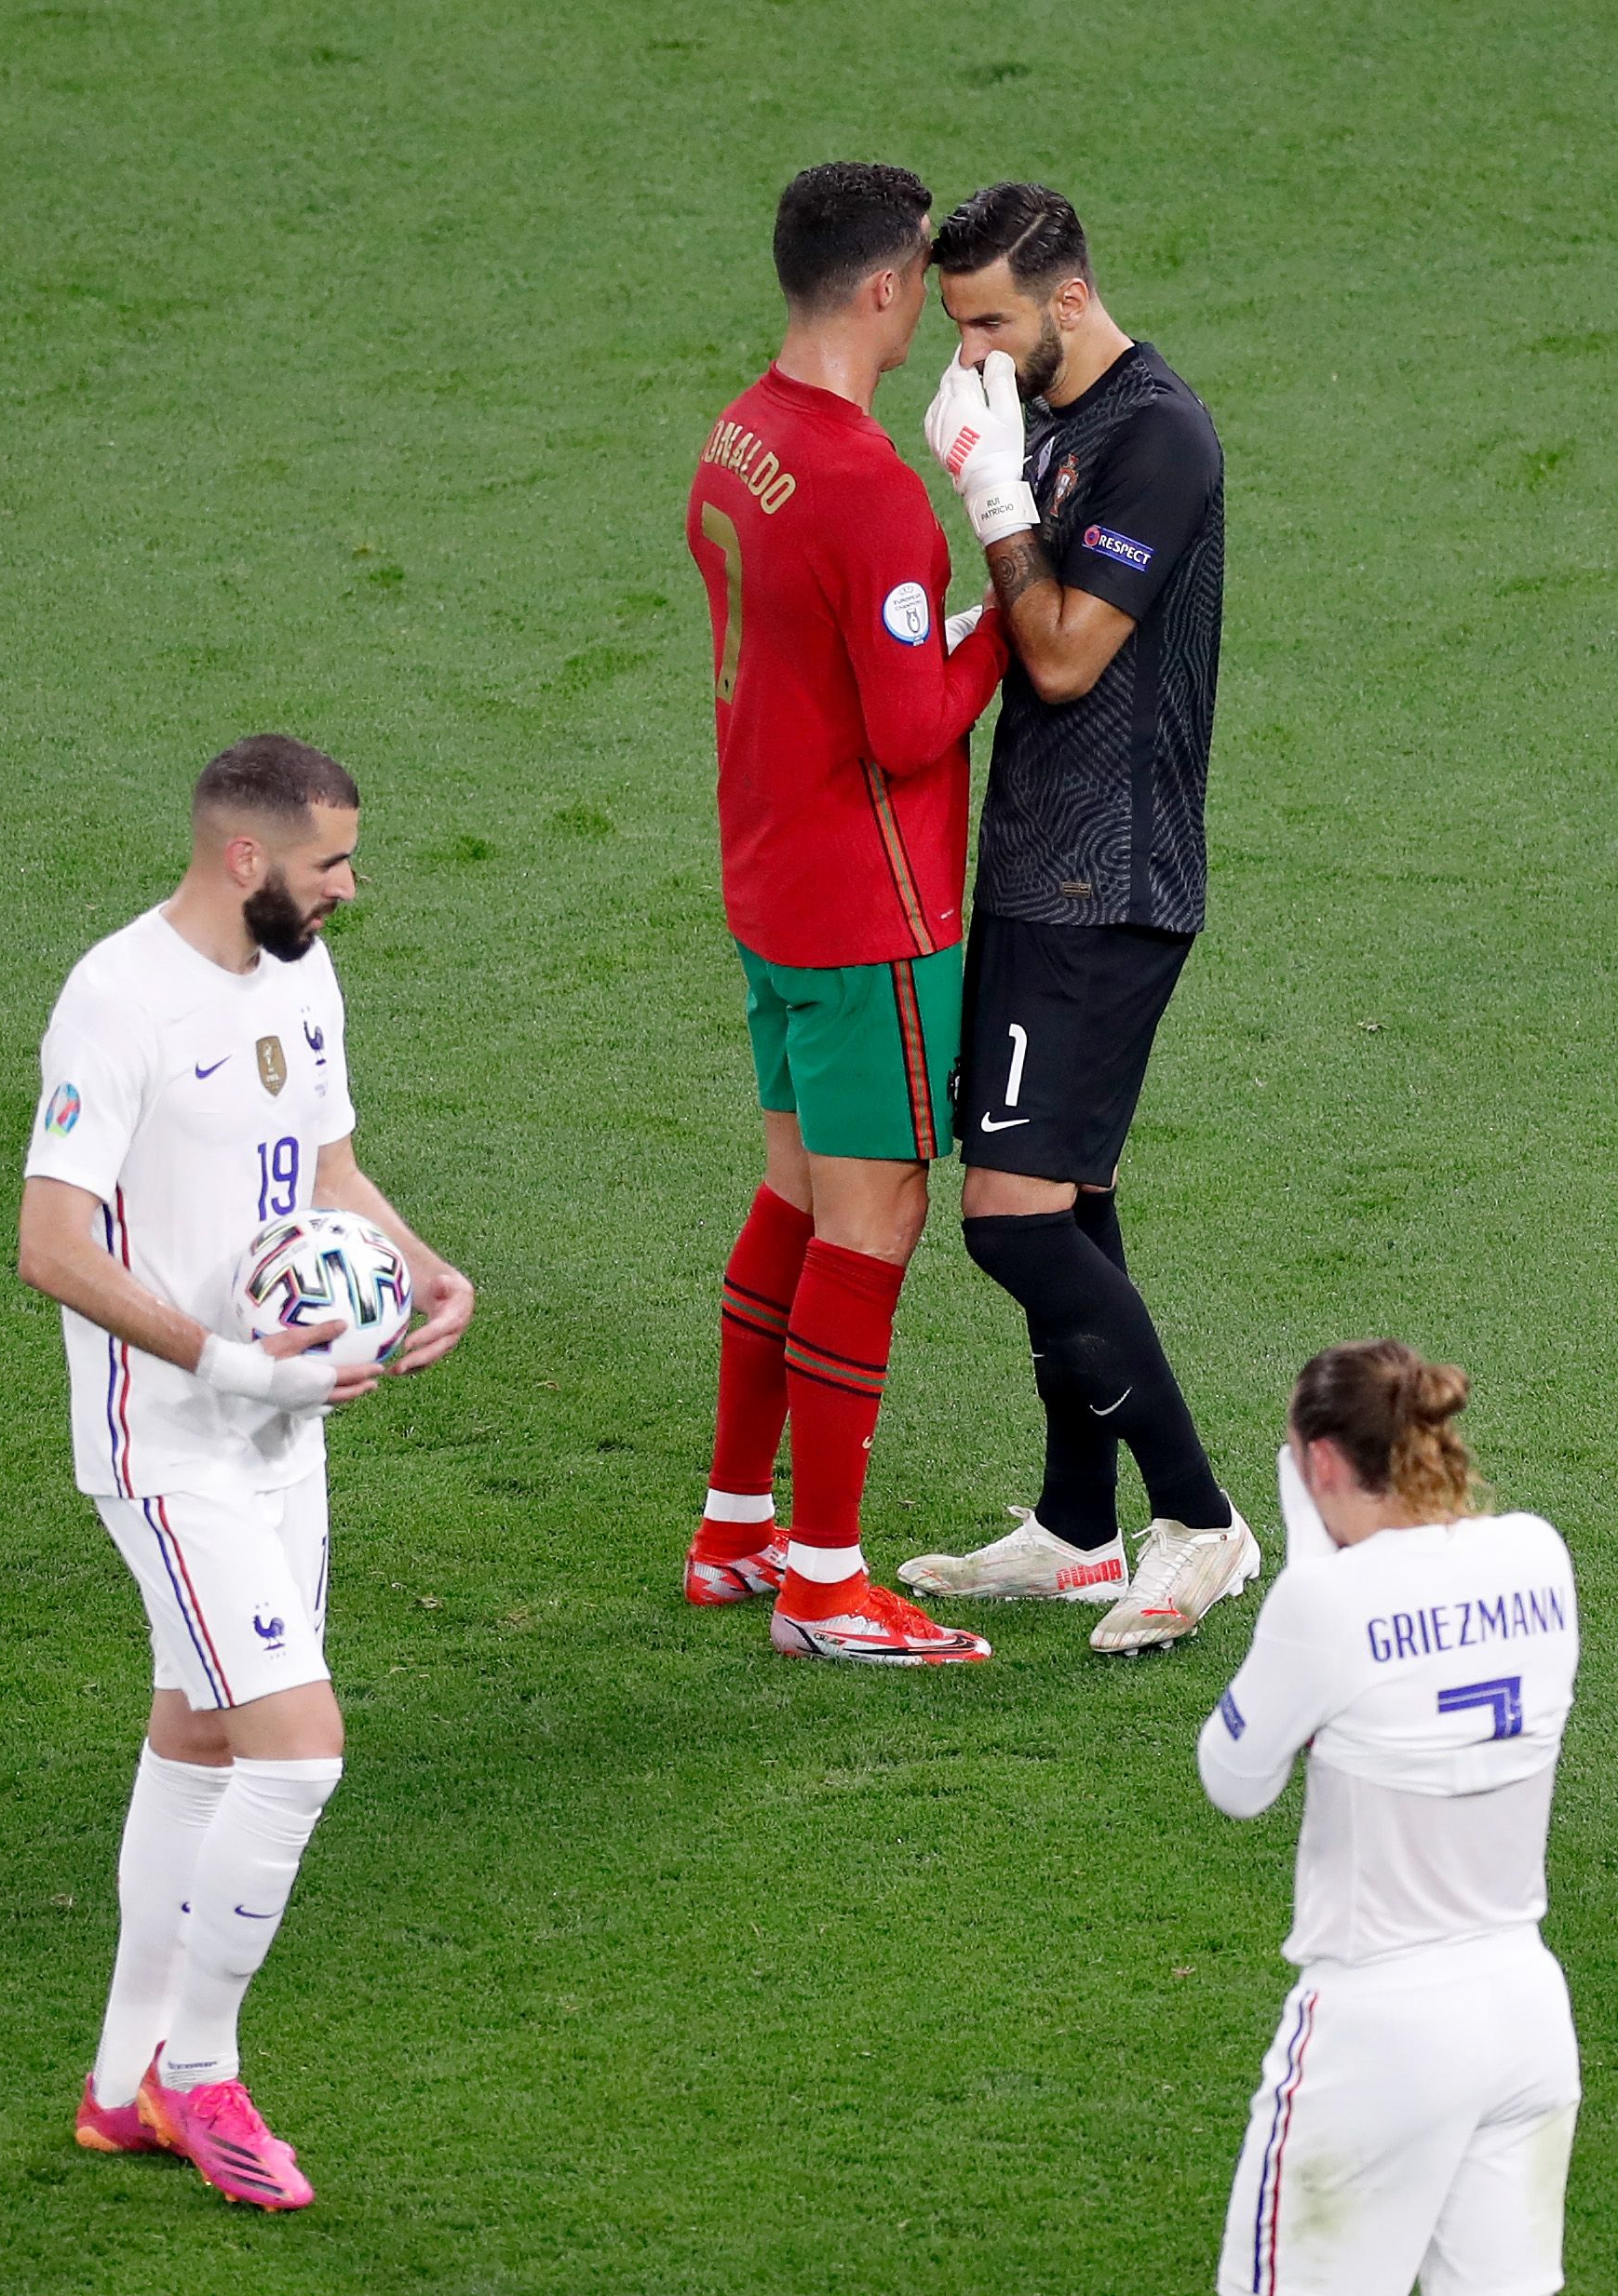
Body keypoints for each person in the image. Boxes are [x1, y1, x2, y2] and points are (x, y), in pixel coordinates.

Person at [17, 733, 474, 2209]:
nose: (349, 884)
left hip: (291, 1428)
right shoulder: (117, 999)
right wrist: (230, 1366)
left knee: (206, 1739)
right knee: (300, 1749)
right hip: (174, 1442)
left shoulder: (300, 970)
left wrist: (421, 1264)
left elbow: (325, 1170)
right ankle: (198, 2071)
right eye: (328, 860)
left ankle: (113, 2086)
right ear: (243, 857)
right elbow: (51, 1243)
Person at [897, 183, 1251, 1656]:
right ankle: (1076, 1526)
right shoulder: (1036, 417)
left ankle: (1201, 1519)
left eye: (988, 319)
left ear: (1068, 294)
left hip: (1107, 884)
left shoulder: (1157, 436)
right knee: (1071, 1196)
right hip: (1037, 867)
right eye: (953, 322)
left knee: (1013, 1218)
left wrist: (989, 501)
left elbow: (1060, 657)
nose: (970, 350)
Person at [680, 160, 1012, 1665]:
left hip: (765, 883)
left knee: (793, 1200)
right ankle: (822, 1579)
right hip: (866, 908)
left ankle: (734, 1523)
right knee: (870, 1219)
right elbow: (905, 730)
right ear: (883, 289)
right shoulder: (872, 491)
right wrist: (999, 621)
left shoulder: (736, 436)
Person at [1196, 1342, 1583, 2296]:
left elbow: (1233, 1780)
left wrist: (1306, 1575)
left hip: (1377, 2038)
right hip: (1525, 2017)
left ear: (1322, 1463)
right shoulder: (1538, 1551)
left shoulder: (1323, 1600)